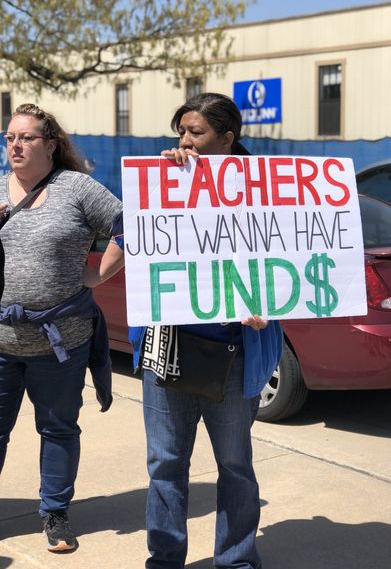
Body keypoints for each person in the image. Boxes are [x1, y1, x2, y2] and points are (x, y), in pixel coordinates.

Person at [128, 92, 283, 569]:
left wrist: (269, 308)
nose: (184, 141)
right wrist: (166, 181)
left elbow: (281, 262)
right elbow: (134, 238)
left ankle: (236, 560)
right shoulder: (165, 181)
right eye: (181, 132)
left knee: (235, 468)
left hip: (236, 357)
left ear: (228, 138)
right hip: (168, 351)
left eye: (195, 132)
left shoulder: (266, 191)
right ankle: (165, 558)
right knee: (165, 466)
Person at [0, 103, 124, 552]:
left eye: (25, 137)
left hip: (61, 344)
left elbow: (129, 225)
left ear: (50, 145)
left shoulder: (76, 188)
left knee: (57, 429)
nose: (15, 144)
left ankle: (55, 512)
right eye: (9, 137)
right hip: (0, 341)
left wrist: (99, 274)